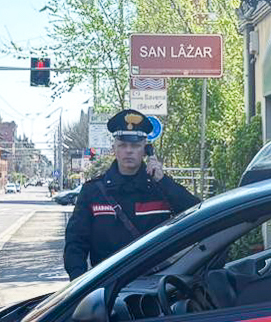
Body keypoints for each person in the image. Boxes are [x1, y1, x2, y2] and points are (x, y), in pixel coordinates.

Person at [63, 108, 200, 279]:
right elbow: (76, 242)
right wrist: (79, 281)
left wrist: (163, 181)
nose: (129, 151)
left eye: (135, 145)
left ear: (146, 150)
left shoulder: (160, 188)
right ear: (114, 149)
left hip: (154, 286)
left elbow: (197, 214)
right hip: (108, 285)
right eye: (123, 145)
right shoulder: (94, 191)